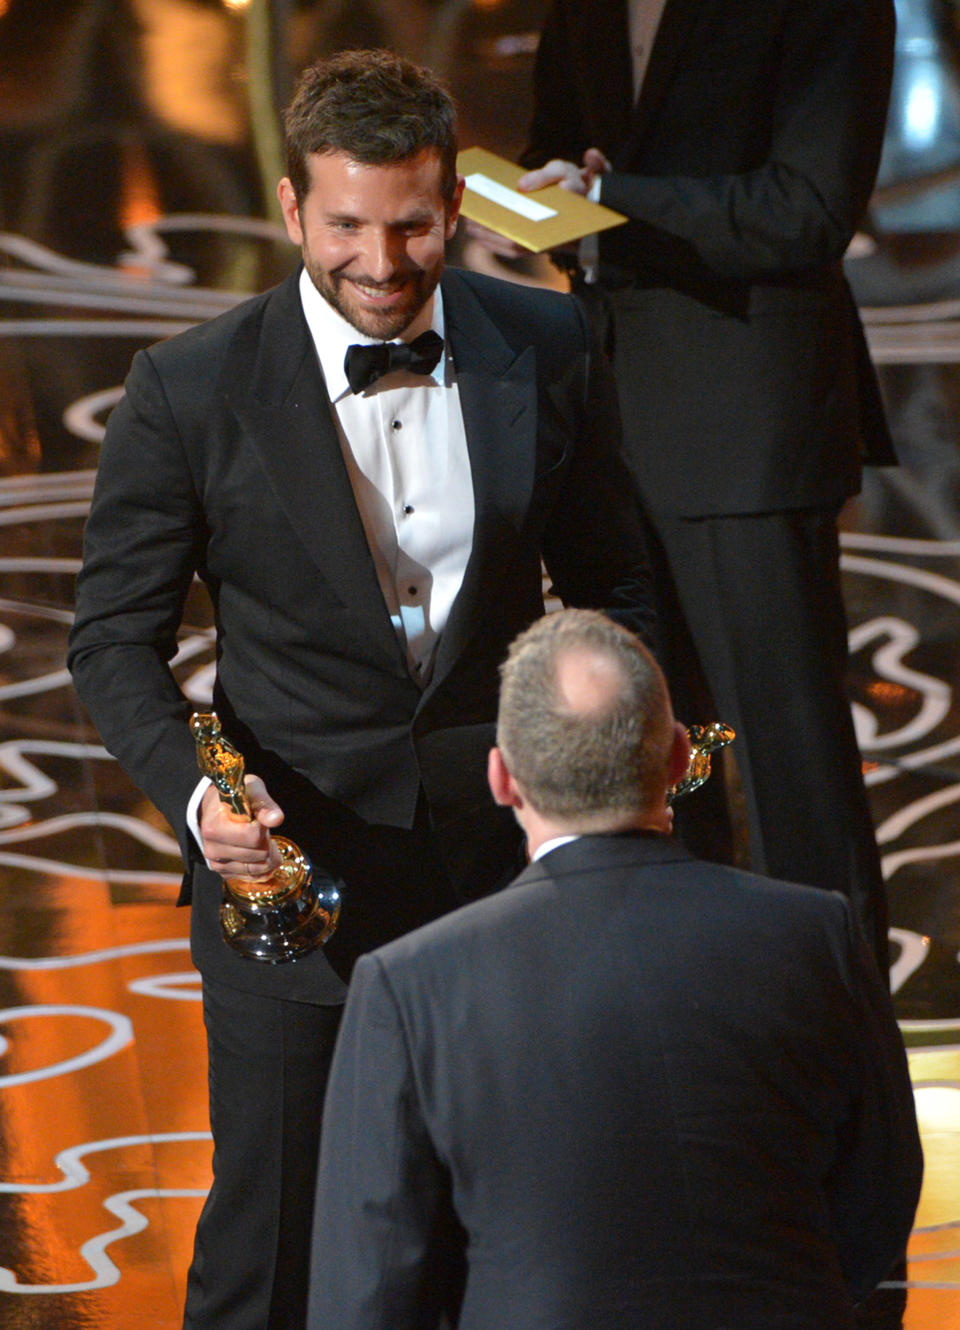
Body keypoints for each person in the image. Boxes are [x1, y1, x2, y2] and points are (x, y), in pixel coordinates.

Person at [66, 49, 657, 1330]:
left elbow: (620, 591)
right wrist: (200, 804)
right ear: (290, 210)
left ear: (454, 204)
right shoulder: (192, 387)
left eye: (412, 225)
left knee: (502, 1230)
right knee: (271, 1246)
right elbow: (111, 641)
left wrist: (605, 790)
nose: (382, 264)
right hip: (292, 880)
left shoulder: (550, 342)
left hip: (501, 878)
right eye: (346, 225)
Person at [310, 608, 922, 1330]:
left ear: (502, 778)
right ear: (678, 759)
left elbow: (369, 1292)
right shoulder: (815, 934)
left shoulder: (410, 986)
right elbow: (878, 1202)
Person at [468, 0, 899, 972]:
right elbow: (556, 152)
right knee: (647, 765)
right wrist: (549, 198)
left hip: (749, 422)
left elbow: (809, 209)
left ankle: (838, 1037)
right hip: (611, 414)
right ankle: (698, 1008)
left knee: (794, 777)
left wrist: (618, 200)